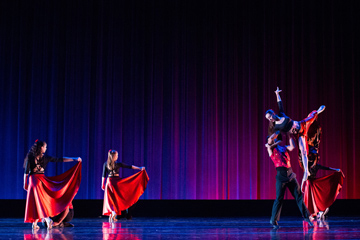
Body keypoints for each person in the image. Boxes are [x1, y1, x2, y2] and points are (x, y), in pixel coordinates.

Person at [265, 87, 326, 191]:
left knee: (312, 116)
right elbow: (277, 138)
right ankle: (306, 171)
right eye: (268, 119)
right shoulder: (276, 127)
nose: (270, 119)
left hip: (302, 125)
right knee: (303, 151)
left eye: (270, 116)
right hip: (298, 134)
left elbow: (280, 104)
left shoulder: (281, 114)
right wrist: (271, 141)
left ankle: (318, 111)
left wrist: (277, 94)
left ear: (273, 113)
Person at [23, 140, 82, 229]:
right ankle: (42, 221)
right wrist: (74, 159)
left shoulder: (31, 157)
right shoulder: (45, 158)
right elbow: (60, 159)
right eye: (45, 147)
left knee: (35, 202)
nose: (46, 149)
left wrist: (25, 184)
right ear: (41, 147)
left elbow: (26, 173)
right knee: (38, 202)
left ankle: (41, 221)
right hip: (41, 181)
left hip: (33, 181)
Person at [298, 118, 344, 220]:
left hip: (313, 183)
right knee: (310, 199)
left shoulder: (314, 165)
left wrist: (335, 170)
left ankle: (317, 212)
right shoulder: (308, 165)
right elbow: (305, 175)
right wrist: (301, 186)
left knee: (314, 199)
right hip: (310, 183)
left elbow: (324, 167)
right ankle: (313, 213)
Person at [266, 133, 313, 228]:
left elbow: (292, 146)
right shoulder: (270, 148)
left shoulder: (283, 148)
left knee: (299, 196)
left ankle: (307, 216)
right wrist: (279, 131)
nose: (273, 140)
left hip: (290, 174)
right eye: (271, 140)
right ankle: (273, 220)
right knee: (279, 199)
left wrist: (289, 135)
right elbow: (270, 140)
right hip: (281, 175)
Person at [102, 150, 149, 222]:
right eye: (117, 155)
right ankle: (114, 212)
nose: (117, 156)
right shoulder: (118, 163)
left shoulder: (106, 164)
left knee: (110, 199)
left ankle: (112, 213)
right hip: (116, 182)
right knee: (117, 199)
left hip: (109, 182)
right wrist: (139, 168)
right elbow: (130, 166)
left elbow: (103, 175)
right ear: (114, 156)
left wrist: (102, 184)